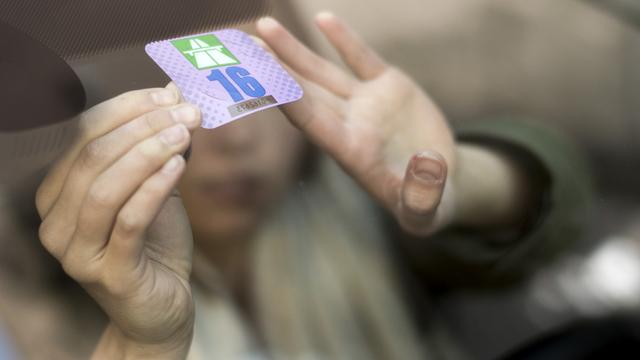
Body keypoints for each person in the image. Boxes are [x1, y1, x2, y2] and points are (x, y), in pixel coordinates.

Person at [27, 13, 591, 359]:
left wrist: (465, 181)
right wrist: (142, 344)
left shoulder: (363, 223)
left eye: (258, 92)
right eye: (199, 100)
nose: (238, 142)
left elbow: (557, 206)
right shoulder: (55, 281)